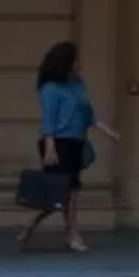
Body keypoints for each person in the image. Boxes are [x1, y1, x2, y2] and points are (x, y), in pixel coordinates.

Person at [20, 40, 119, 253]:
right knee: (64, 193)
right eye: (75, 59)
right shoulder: (50, 89)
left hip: (76, 143)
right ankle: (71, 233)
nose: (78, 63)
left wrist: (108, 132)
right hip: (58, 143)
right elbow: (49, 119)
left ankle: (35, 226)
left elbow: (88, 114)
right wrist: (50, 147)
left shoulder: (77, 83)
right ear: (65, 61)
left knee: (66, 193)